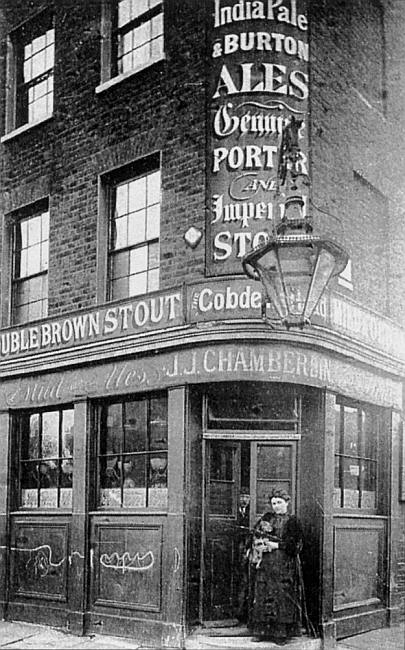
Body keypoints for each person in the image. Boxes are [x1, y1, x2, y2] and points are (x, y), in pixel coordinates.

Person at [247, 488, 304, 645]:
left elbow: (295, 546)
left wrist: (276, 545)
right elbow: (255, 534)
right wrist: (260, 544)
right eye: (273, 503)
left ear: (287, 503)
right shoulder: (266, 518)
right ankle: (261, 632)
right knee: (263, 592)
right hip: (265, 563)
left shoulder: (293, 521)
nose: (276, 506)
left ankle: (281, 633)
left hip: (284, 564)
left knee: (281, 594)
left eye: (279, 502)